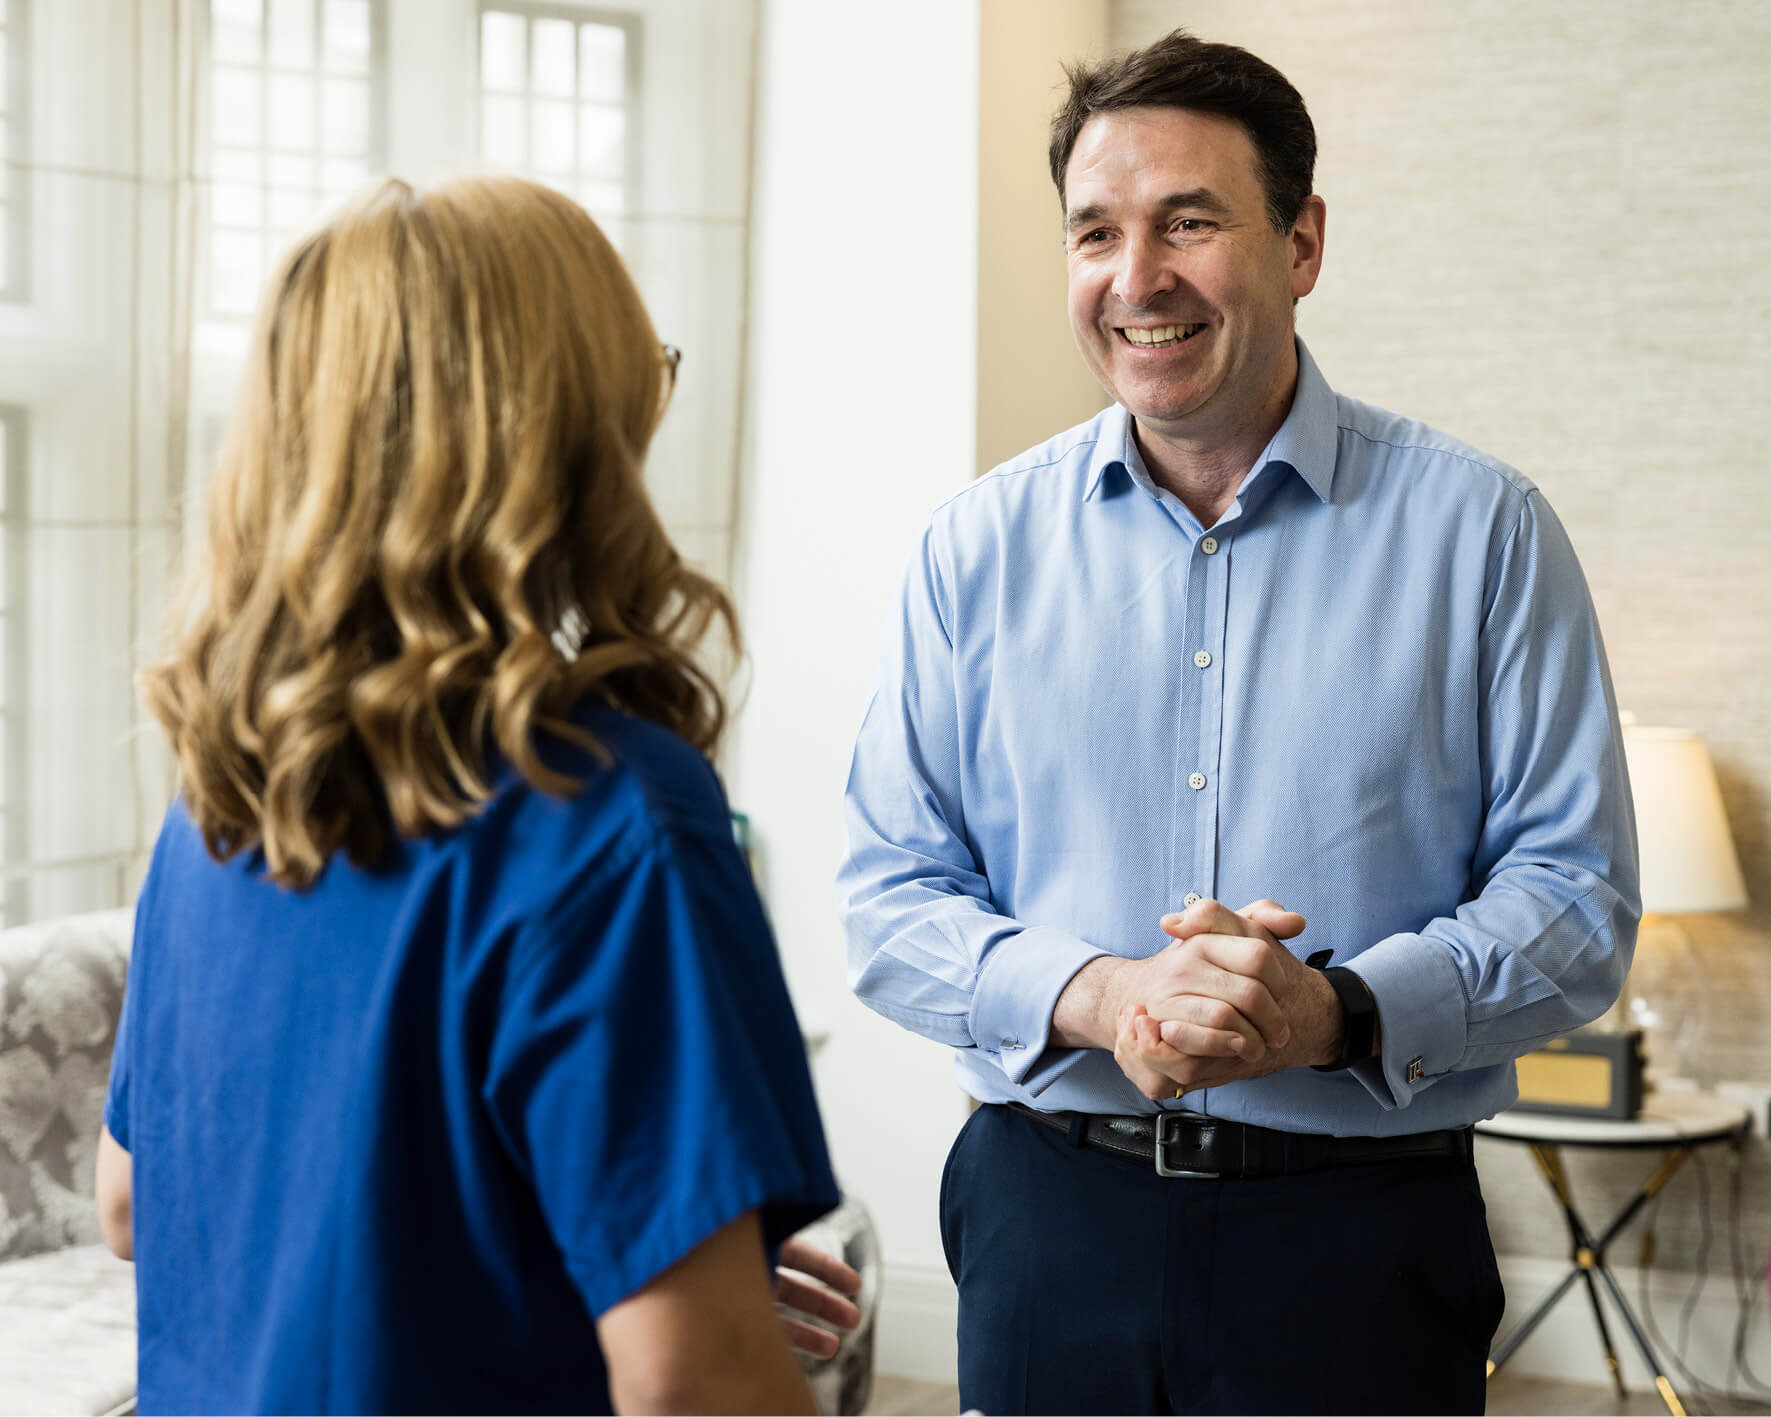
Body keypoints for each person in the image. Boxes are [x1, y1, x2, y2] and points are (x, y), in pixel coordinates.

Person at [838, 27, 1638, 1417]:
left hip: (1359, 1240)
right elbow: (884, 899)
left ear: (1300, 243)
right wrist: (1102, 995)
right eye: (1095, 232)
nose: (1133, 279)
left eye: (1186, 223)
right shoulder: (969, 549)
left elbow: (1573, 902)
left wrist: (1329, 1013)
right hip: (1047, 1218)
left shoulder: (1483, 534)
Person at [96, 175, 859, 1415]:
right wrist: (692, 1313)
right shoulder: (613, 817)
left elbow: (136, 1204)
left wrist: (638, 1262)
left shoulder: (227, 793)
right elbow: (694, 1383)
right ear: (564, 430)